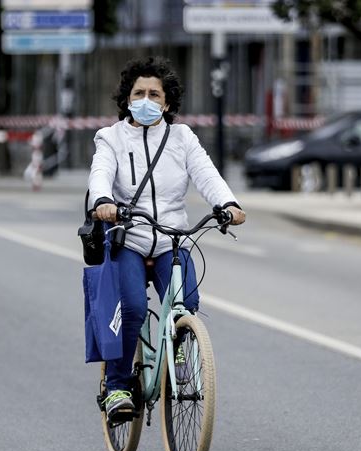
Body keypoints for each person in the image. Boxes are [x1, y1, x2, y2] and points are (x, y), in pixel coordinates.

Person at [87, 56, 246, 421]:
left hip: (172, 240)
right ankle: (118, 387)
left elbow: (206, 174)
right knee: (131, 310)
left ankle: (177, 356)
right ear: (127, 99)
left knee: (186, 302)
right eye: (139, 92)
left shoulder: (182, 137)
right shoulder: (110, 137)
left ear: (168, 101)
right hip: (129, 236)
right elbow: (100, 173)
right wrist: (104, 201)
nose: (146, 100)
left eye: (154, 94)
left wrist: (228, 203)